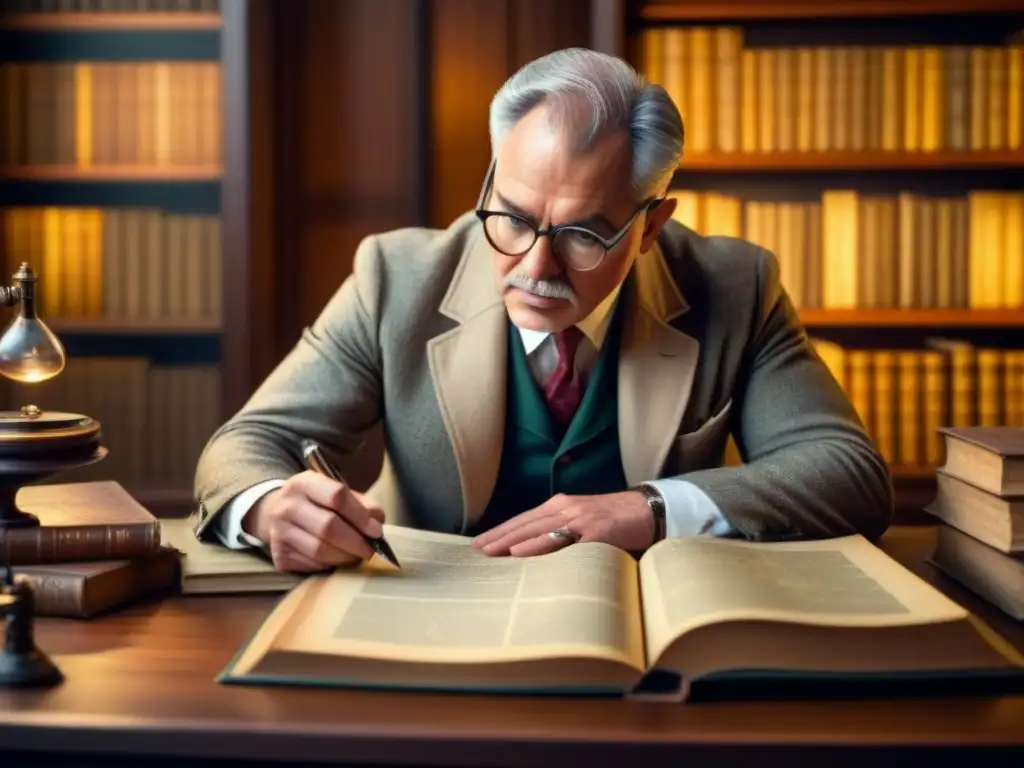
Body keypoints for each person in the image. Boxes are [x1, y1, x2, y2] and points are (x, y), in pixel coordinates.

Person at [192, 48, 893, 573]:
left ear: (650, 227)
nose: (535, 267)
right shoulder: (396, 277)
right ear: (492, 181)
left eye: (584, 235)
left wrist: (650, 507)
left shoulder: (736, 285)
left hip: (644, 633)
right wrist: (267, 506)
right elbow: (246, 444)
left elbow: (848, 474)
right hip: (421, 613)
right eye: (514, 217)